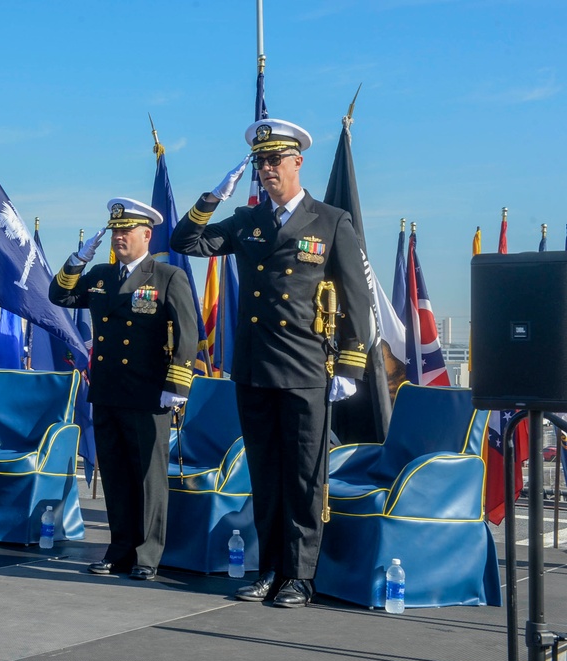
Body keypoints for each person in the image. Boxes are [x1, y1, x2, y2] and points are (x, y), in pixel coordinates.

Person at [170, 119, 371, 607]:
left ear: (298, 162)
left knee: (304, 477)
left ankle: (299, 576)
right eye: (260, 162)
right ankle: (269, 570)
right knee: (265, 474)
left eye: (275, 160)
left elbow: (357, 297)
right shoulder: (246, 221)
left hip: (305, 368)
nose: (266, 169)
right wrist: (211, 199)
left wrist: (350, 366)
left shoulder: (330, 221)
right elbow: (185, 244)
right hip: (256, 368)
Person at [49, 197, 197, 581]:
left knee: (148, 475)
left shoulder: (166, 277)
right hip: (109, 388)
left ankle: (147, 556)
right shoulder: (100, 275)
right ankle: (119, 550)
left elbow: (187, 333)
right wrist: (78, 259)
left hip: (149, 393)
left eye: (126, 231)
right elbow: (60, 295)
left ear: (146, 235)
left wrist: (177, 383)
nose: (119, 237)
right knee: (115, 473)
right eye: (115, 230)